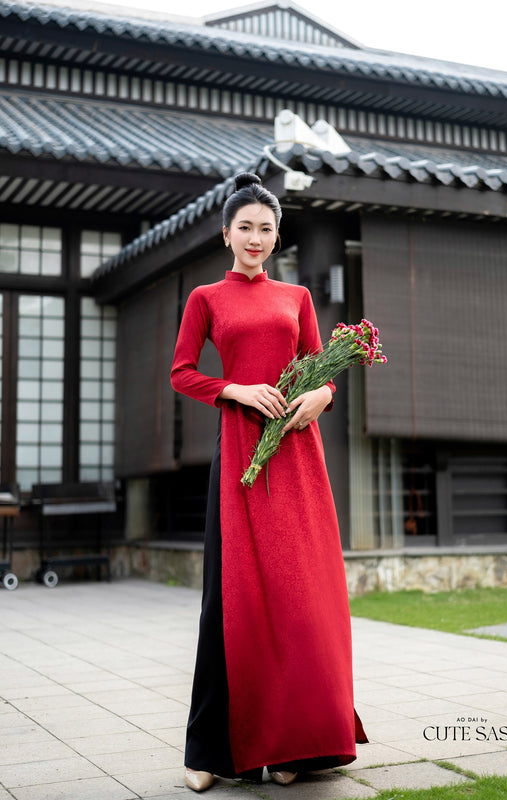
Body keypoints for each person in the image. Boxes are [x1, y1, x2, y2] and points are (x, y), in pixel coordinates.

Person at [170, 172, 367, 793]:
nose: (256, 238)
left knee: (301, 598)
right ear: (226, 233)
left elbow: (321, 370)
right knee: (229, 605)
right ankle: (210, 755)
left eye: (267, 229)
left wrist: (323, 394)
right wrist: (234, 388)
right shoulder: (206, 297)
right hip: (239, 456)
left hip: (297, 455)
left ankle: (298, 749)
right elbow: (181, 373)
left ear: (277, 236)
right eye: (246, 227)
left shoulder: (298, 297)